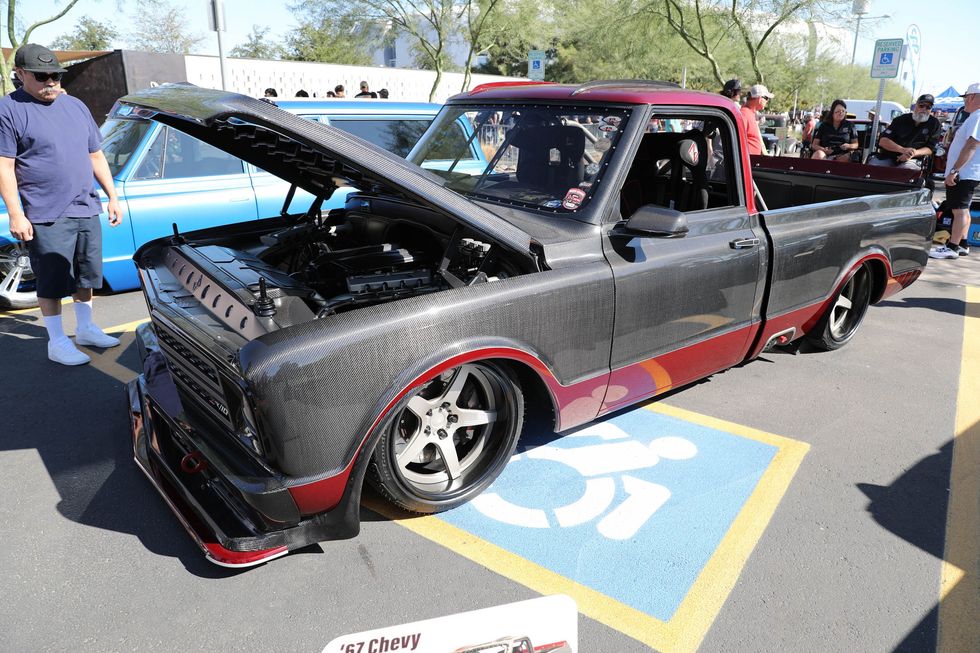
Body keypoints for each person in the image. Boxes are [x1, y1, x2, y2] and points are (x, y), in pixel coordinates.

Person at [0, 44, 124, 365]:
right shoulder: (9, 109)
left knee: (86, 274)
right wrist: (16, 214)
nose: (51, 82)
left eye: (56, 75)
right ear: (20, 74)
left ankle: (85, 328)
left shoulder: (76, 106)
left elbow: (95, 155)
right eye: (42, 76)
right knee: (52, 279)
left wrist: (112, 196)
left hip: (85, 205)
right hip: (46, 212)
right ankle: (56, 342)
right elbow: (4, 166)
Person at [930, 83, 980, 259]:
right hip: (967, 172)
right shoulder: (975, 116)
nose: (965, 101)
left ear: (972, 97)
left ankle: (952, 247)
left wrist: (954, 170)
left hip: (964, 173)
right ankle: (962, 244)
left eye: (966, 97)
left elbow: (971, 145)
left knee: (959, 210)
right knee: (963, 209)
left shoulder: (977, 116)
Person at [867, 94, 941, 169]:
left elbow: (930, 148)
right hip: (888, 156)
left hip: (914, 159)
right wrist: (903, 150)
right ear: (915, 105)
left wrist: (912, 153)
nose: (924, 109)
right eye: (921, 106)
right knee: (874, 166)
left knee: (906, 169)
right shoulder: (900, 119)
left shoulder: (934, 124)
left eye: (928, 107)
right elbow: (883, 141)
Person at [740, 84, 772, 156]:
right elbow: (739, 139)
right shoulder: (744, 114)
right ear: (760, 98)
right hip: (747, 159)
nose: (767, 101)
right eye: (766, 98)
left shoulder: (750, 113)